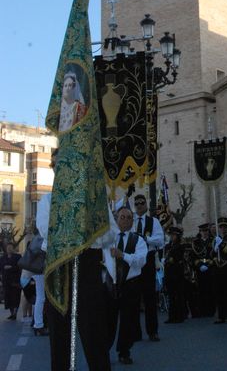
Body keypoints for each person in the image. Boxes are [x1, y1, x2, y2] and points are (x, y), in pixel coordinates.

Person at [38, 149, 114, 371]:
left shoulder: (95, 199)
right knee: (59, 336)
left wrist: (87, 234)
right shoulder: (49, 200)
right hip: (59, 268)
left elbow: (110, 234)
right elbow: (46, 230)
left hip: (88, 267)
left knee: (94, 335)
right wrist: (83, 232)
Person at [104, 206, 147, 365]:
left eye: (129, 218)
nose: (126, 220)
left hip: (130, 285)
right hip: (111, 285)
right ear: (116, 219)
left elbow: (141, 260)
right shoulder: (108, 239)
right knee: (109, 320)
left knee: (128, 320)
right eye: (122, 217)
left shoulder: (139, 240)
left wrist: (123, 255)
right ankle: (104, 350)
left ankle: (124, 351)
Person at [132, 193, 164, 342]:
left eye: (141, 203)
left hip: (148, 259)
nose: (139, 205)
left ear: (145, 204)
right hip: (133, 260)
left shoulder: (153, 221)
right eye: (137, 203)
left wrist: (147, 239)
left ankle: (152, 331)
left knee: (150, 296)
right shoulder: (130, 221)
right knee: (133, 298)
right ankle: (135, 332)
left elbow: (160, 240)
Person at [191, 223, 215, 317]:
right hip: (199, 268)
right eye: (202, 231)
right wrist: (200, 265)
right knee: (201, 290)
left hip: (210, 268)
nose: (204, 233)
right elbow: (193, 256)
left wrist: (208, 264)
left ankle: (211, 310)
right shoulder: (196, 242)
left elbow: (214, 255)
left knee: (210, 290)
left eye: (206, 231)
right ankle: (202, 310)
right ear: (200, 232)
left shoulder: (213, 241)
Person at [163, 226, 186, 324]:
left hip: (177, 273)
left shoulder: (180, 246)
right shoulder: (168, 246)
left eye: (173, 235)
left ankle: (180, 316)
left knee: (179, 295)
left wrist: (169, 260)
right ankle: (171, 316)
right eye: (171, 235)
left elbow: (177, 258)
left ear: (178, 236)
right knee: (171, 296)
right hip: (169, 273)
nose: (171, 237)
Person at [0, 243, 21, 320]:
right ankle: (12, 313)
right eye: (8, 247)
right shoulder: (2, 258)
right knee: (8, 297)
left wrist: (11, 267)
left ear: (13, 248)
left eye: (11, 247)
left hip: (15, 281)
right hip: (6, 281)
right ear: (6, 248)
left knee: (16, 296)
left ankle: (15, 313)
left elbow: (20, 267)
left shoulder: (18, 257)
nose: (9, 249)